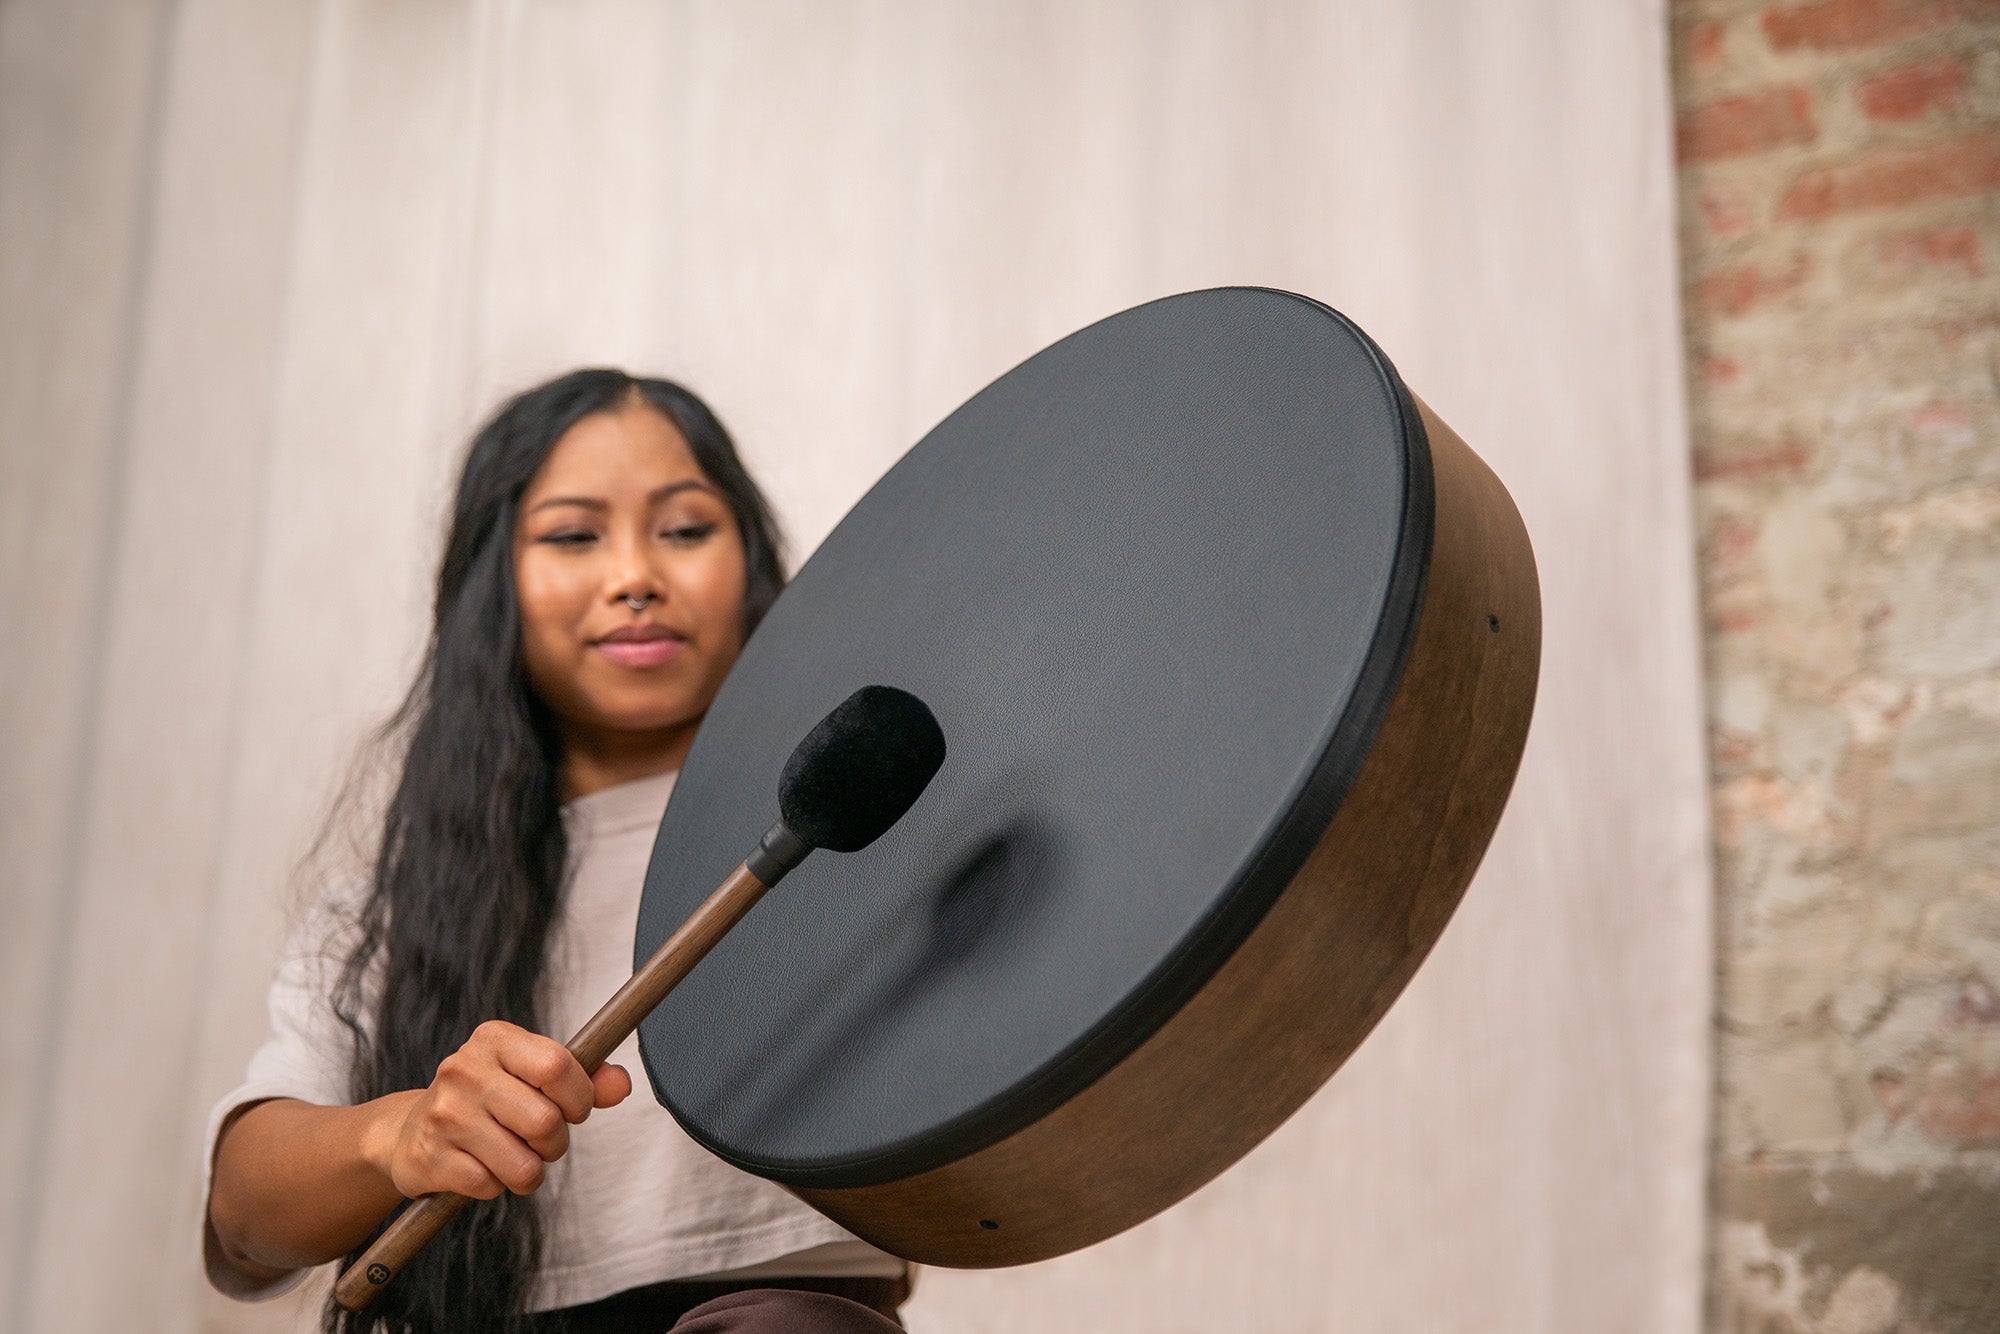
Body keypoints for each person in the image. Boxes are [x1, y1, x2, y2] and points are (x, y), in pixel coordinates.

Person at [203, 370, 912, 1333]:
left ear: (752, 564)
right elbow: (242, 1222)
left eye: (685, 529)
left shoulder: (864, 835)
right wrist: (399, 1135)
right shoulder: (391, 911)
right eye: (575, 536)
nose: (635, 577)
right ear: (492, 587)